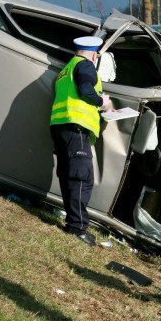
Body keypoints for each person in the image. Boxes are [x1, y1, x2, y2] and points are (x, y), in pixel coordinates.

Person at [50, 36, 111, 246]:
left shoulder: (66, 69)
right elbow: (86, 92)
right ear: (94, 55)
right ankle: (78, 228)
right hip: (76, 128)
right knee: (81, 178)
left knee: (70, 177)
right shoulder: (85, 66)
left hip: (61, 127)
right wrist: (102, 100)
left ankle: (73, 223)